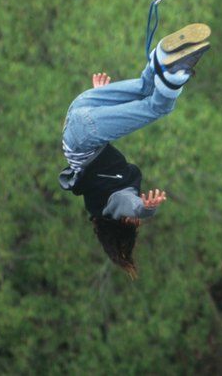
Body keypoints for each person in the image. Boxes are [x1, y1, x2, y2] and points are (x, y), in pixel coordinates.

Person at [58, 23, 212, 278]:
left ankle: (175, 75)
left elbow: (130, 205)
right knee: (145, 88)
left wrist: (146, 209)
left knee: (159, 107)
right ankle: (160, 60)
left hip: (85, 131)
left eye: (135, 222)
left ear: (126, 222)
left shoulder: (112, 206)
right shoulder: (99, 199)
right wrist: (103, 96)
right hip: (81, 109)